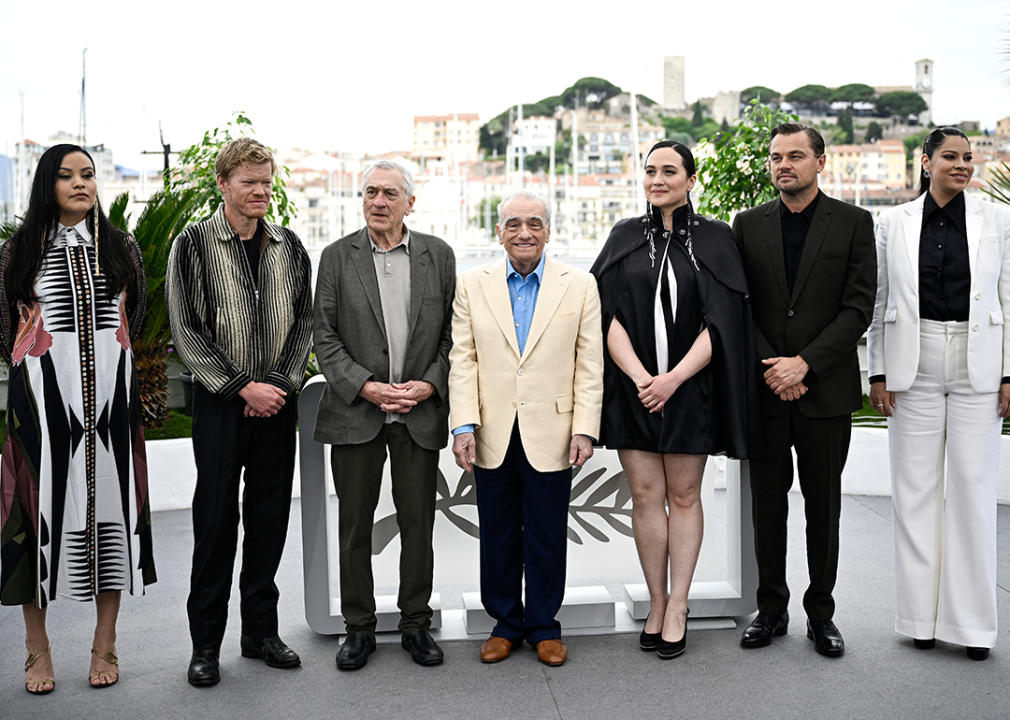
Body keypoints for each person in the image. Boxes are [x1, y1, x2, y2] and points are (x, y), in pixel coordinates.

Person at [590, 141, 760, 659]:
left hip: (691, 390)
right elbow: (606, 316)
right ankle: (657, 602)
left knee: (684, 497)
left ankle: (680, 604)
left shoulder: (716, 237)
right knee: (645, 496)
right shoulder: (623, 236)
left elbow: (724, 321)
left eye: (669, 171)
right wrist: (645, 378)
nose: (657, 179)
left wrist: (674, 379)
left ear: (691, 178)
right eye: (650, 171)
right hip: (633, 390)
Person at [0, 144, 154, 693]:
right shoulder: (17, 253)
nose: (80, 183)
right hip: (40, 413)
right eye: (66, 176)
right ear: (48, 185)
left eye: (88, 174)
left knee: (111, 516)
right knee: (31, 522)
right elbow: (6, 331)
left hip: (111, 412)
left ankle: (104, 642)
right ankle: (35, 647)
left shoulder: (121, 248)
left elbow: (133, 317)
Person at [167, 138, 312, 686]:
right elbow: (187, 330)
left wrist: (276, 384)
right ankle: (205, 646)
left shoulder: (289, 245)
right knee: (216, 525)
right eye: (249, 182)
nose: (260, 191)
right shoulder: (193, 244)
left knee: (269, 521)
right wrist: (241, 387)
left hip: (278, 403)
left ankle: (260, 634)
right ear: (223, 184)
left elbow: (303, 325)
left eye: (267, 181)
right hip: (222, 406)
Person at [732, 123, 876, 657]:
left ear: (821, 162)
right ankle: (770, 610)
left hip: (826, 392)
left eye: (795, 156)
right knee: (766, 507)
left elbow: (858, 307)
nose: (783, 165)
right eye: (775, 157)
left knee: (824, 507)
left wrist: (805, 365)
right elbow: (739, 305)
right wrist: (776, 366)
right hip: (766, 389)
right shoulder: (746, 225)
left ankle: (822, 614)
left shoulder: (856, 223)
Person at [867, 127, 1010, 661]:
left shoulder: (998, 219)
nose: (962, 165)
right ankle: (919, 620)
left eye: (968, 157)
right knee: (915, 495)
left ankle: (973, 627)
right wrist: (878, 372)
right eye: (950, 156)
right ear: (925, 162)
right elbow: (881, 299)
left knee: (974, 496)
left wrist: (1008, 374)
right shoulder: (892, 221)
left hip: (980, 363)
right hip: (915, 361)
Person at [449, 189, 603, 667]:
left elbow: (589, 365)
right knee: (496, 533)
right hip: (491, 430)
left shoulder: (579, 285)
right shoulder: (472, 284)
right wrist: (463, 425)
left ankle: (543, 626)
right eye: (513, 224)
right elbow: (463, 359)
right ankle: (505, 623)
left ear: (548, 231)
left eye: (534, 223)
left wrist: (584, 429)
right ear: (498, 232)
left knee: (546, 533)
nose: (524, 232)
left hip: (553, 431)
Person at [313, 160, 455, 670]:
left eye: (390, 193)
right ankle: (359, 629)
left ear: (410, 202)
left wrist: (430, 383)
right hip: (357, 414)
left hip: (418, 415)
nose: (378, 201)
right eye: (371, 192)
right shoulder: (335, 257)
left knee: (419, 525)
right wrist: (366, 387)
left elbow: (450, 336)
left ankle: (416, 623)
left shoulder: (438, 255)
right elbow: (323, 337)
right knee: (354, 527)